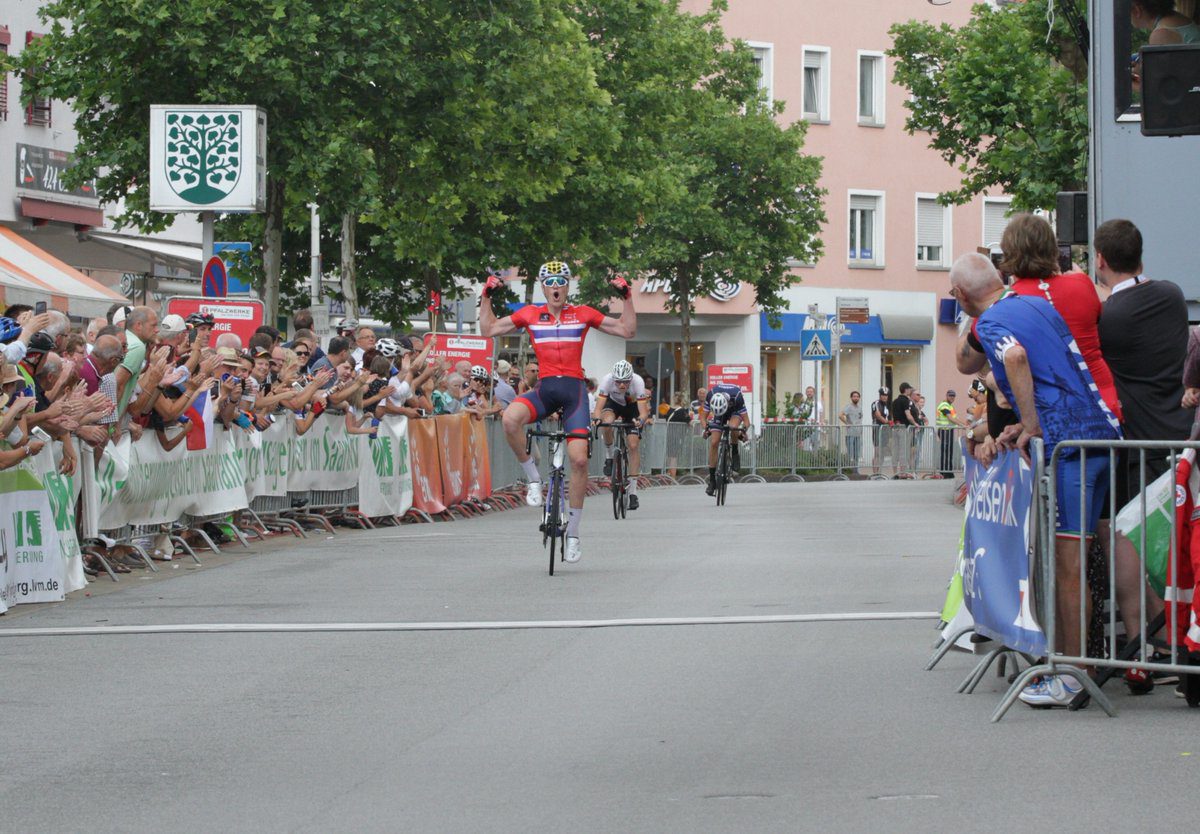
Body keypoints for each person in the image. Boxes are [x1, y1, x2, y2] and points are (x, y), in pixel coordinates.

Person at [951, 252, 1122, 708]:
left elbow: (1015, 355)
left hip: (1069, 446)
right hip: (1102, 432)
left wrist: (1030, 424)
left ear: (960, 296)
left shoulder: (990, 321)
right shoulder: (1036, 303)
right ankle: (1074, 665)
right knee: (1076, 556)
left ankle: (1073, 674)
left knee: (1067, 563)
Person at [480, 261, 635, 564]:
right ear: (542, 287)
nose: (555, 287)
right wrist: (486, 296)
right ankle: (533, 478)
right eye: (549, 282)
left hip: (575, 392)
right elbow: (489, 329)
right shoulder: (530, 314)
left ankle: (574, 534)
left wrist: (628, 297)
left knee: (578, 460)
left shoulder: (583, 313)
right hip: (545, 390)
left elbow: (627, 329)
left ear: (566, 287)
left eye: (560, 282)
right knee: (510, 418)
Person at [1094, 218, 1192, 672]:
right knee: (1177, 545)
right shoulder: (1172, 296)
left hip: (1135, 445)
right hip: (1179, 436)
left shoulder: (1109, 318)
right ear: (1140, 254)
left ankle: (1143, 646)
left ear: (1100, 260)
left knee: (1130, 540)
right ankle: (1176, 636)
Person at [1003, 213, 1122, 423]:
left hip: (1057, 413)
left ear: (1010, 254)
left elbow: (967, 361)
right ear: (1053, 249)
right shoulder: (1081, 283)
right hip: (1103, 405)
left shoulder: (1009, 302)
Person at [593, 360, 652, 511]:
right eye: (618, 382)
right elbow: (598, 408)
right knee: (606, 423)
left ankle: (633, 493)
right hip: (613, 405)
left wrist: (640, 420)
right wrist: (597, 419)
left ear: (630, 378)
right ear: (613, 379)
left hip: (632, 409)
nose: (621, 385)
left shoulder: (638, 382)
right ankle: (609, 456)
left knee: (633, 445)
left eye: (625, 382)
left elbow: (644, 412)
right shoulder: (607, 380)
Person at [702, 383, 748, 496]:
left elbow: (747, 421)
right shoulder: (711, 395)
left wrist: (743, 432)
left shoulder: (737, 396)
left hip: (734, 412)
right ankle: (712, 480)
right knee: (714, 442)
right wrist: (707, 428)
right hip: (718, 414)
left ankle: (735, 451)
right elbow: (703, 418)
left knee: (733, 427)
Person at [935, 389, 967, 477]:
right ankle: (944, 471)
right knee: (945, 451)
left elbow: (955, 418)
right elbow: (950, 418)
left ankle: (948, 470)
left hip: (948, 430)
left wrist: (964, 424)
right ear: (946, 396)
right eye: (950, 396)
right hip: (944, 430)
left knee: (949, 451)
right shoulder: (944, 405)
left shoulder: (950, 406)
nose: (952, 397)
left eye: (953, 396)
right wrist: (962, 426)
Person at [664, 391, 691, 478]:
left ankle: (669, 473)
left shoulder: (669, 410)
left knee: (670, 455)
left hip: (669, 434)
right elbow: (689, 421)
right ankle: (673, 475)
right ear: (682, 400)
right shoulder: (682, 411)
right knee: (674, 456)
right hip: (677, 435)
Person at [870, 387, 891, 476]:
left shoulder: (887, 405)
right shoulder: (875, 403)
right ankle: (875, 472)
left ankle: (879, 471)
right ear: (880, 395)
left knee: (883, 451)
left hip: (885, 430)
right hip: (877, 428)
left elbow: (888, 416)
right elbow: (878, 415)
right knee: (877, 451)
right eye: (883, 395)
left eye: (886, 395)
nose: (884, 397)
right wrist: (887, 422)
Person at [839, 390, 863, 468]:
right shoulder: (849, 407)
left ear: (859, 398)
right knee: (850, 453)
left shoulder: (859, 408)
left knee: (857, 453)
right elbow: (840, 415)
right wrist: (847, 423)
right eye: (854, 396)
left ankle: (856, 469)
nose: (856, 398)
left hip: (858, 434)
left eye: (857, 396)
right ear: (851, 398)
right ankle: (849, 469)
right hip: (850, 434)